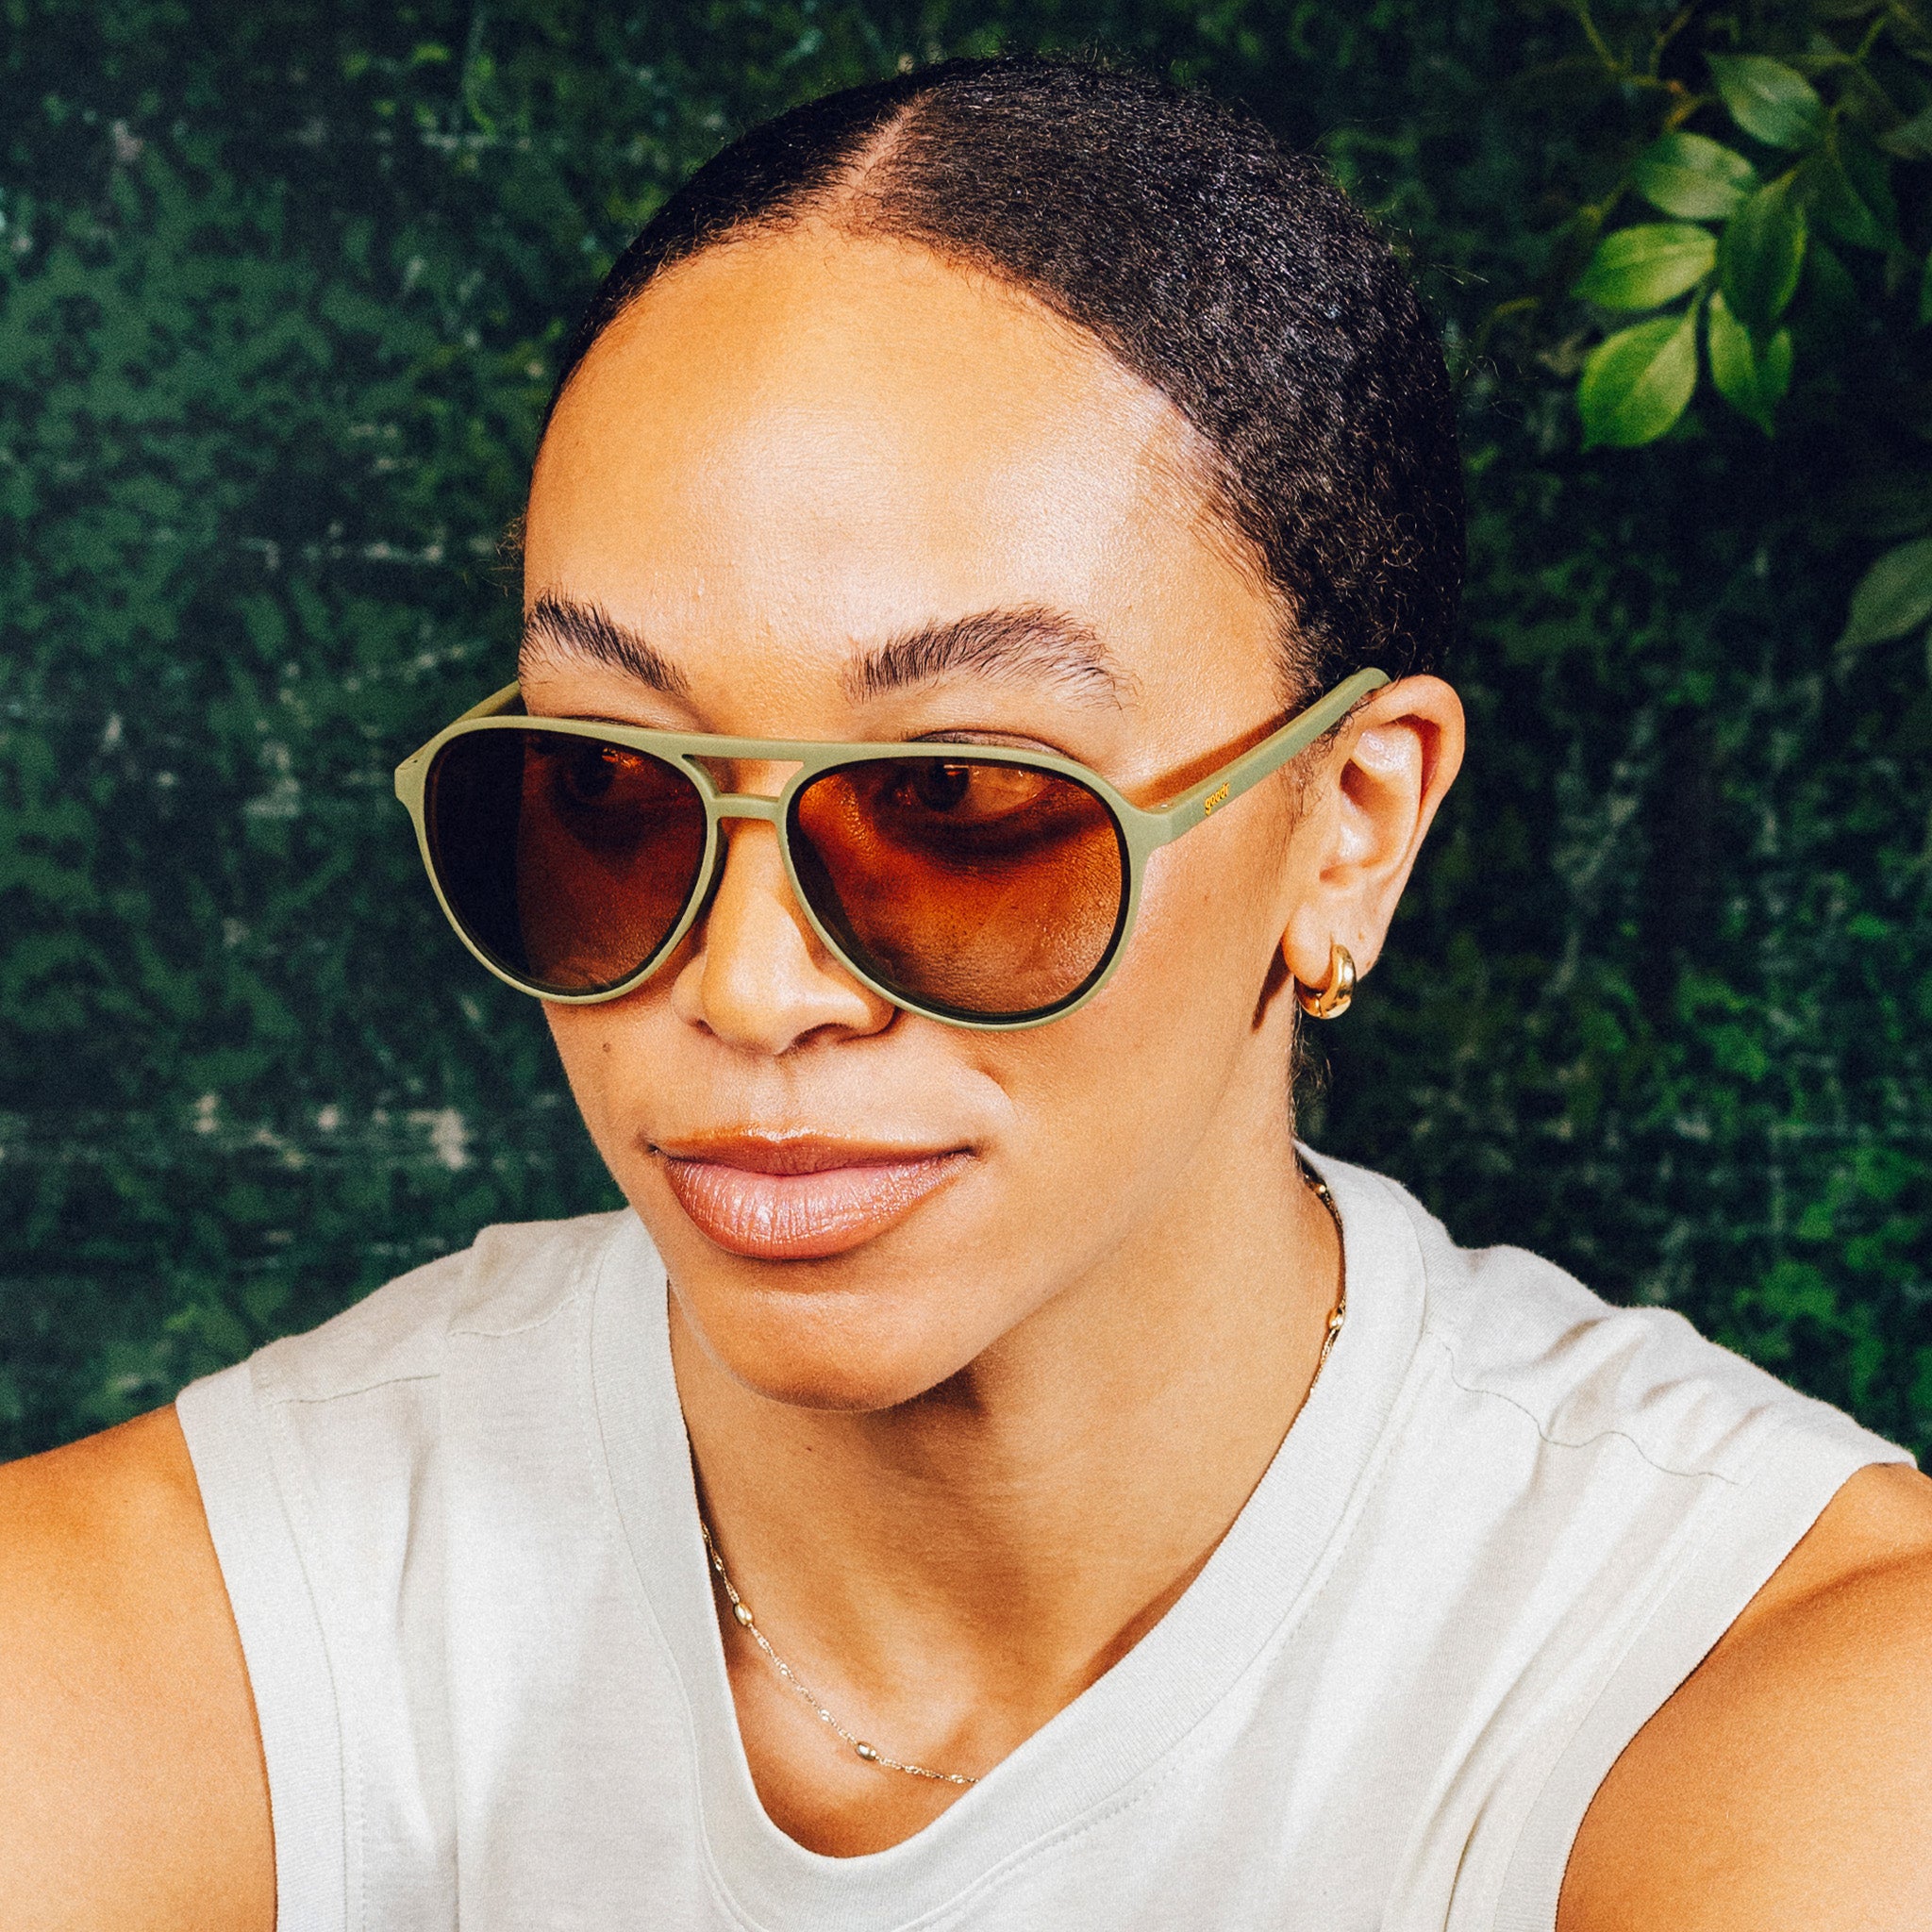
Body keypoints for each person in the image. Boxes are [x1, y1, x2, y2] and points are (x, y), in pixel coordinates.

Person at [3, 56, 1929, 1932]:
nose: (751, 985)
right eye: (607, 784)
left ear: (1350, 825)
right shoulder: (191, 1631)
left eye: (957, 798)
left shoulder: (1788, 1703)